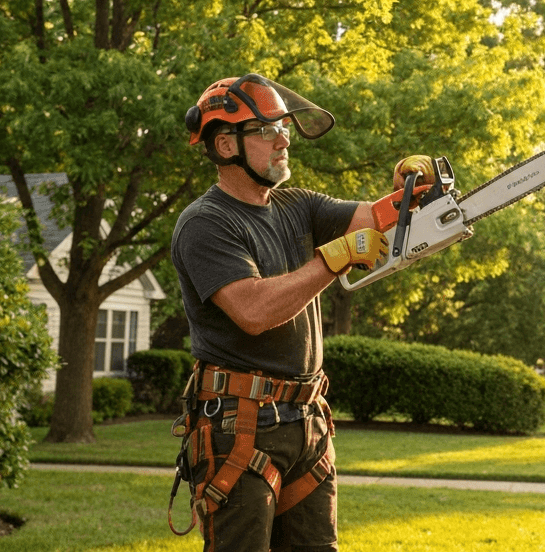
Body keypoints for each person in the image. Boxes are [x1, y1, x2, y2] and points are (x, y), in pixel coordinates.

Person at [169, 73, 433, 552]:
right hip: (240, 425)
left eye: (283, 127)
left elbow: (375, 222)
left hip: (307, 421)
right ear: (226, 144)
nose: (283, 138)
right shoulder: (205, 223)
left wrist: (412, 190)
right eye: (267, 130)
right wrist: (332, 260)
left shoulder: (298, 205)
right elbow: (252, 309)